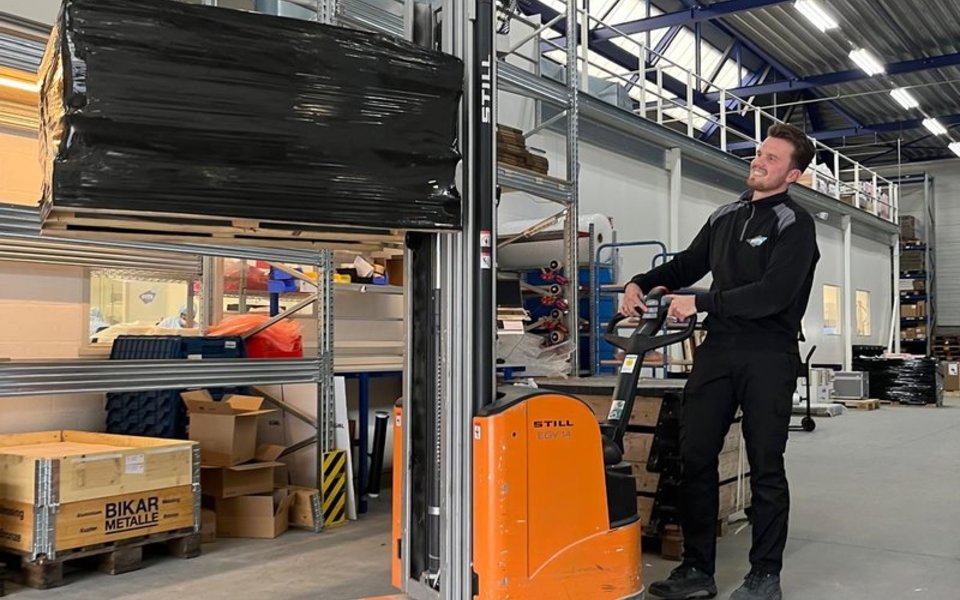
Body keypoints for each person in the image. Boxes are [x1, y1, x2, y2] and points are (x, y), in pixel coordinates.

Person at [621, 123, 820, 600]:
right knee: (695, 457)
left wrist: (702, 302)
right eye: (760, 153)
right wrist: (640, 282)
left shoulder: (794, 224)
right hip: (719, 351)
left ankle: (764, 576)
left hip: (769, 354)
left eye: (772, 158)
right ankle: (697, 570)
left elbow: (773, 295)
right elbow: (686, 265)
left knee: (766, 464)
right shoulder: (725, 215)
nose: (759, 161)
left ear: (792, 175)